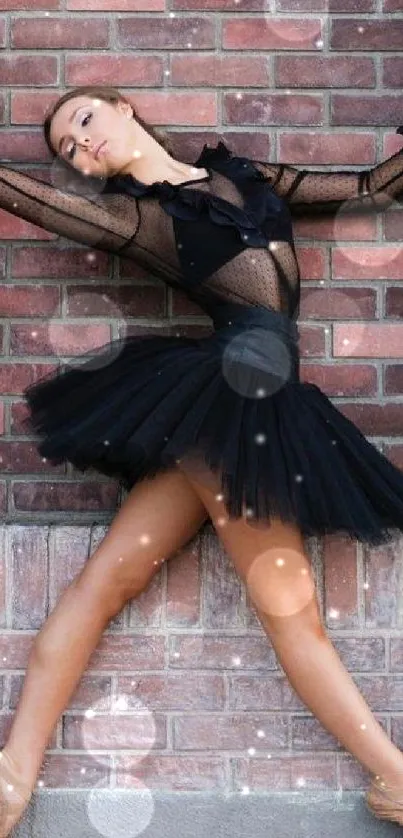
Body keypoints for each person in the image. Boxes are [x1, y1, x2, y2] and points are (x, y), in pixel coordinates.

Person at [0, 85, 403, 834]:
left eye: (83, 121)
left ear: (122, 107)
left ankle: (10, 782)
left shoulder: (246, 176)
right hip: (232, 400)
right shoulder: (136, 217)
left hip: (237, 404)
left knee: (109, 580)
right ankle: (396, 779)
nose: (82, 147)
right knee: (291, 611)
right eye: (68, 150)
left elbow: (373, 188)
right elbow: (31, 201)